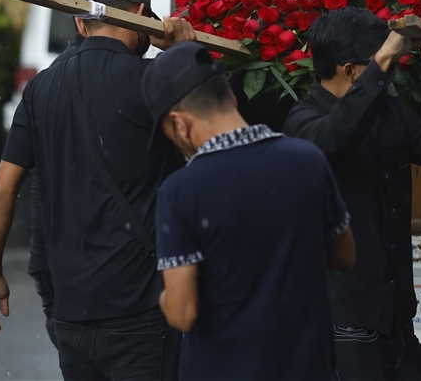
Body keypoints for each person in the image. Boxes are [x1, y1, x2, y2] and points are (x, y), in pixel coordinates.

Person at [0, 0, 196, 381]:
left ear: (79, 21)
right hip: (142, 310)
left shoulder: (41, 88)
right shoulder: (153, 81)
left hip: (71, 315)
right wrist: (182, 56)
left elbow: (4, 189)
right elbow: (214, 140)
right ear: (142, 14)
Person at [145, 42, 356, 380]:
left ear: (179, 123)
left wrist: (166, 297)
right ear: (231, 97)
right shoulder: (307, 160)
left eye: (170, 135)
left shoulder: (181, 191)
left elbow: (183, 313)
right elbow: (344, 255)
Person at [283, 8, 421, 381]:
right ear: (350, 70)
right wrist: (385, 56)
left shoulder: (390, 113)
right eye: (379, 66)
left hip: (398, 318)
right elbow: (337, 137)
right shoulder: (302, 122)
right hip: (345, 324)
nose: (387, 75)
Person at [28, 0, 109, 350]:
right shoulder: (131, 76)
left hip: (54, 261)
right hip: (110, 273)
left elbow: (6, 184)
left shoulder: (44, 81)